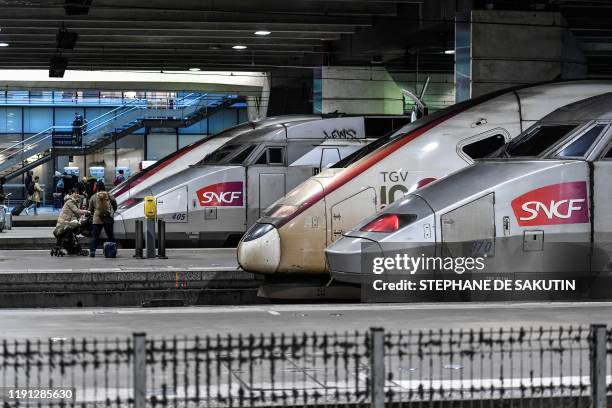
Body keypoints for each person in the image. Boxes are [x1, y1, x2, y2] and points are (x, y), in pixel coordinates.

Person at [88, 181, 117, 257]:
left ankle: (92, 251)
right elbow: (114, 204)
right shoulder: (109, 195)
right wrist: (111, 211)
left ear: (97, 187)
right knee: (110, 236)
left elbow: (90, 209)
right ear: (103, 186)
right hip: (107, 218)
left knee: (95, 237)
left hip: (97, 219)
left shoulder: (93, 196)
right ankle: (113, 251)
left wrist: (92, 214)